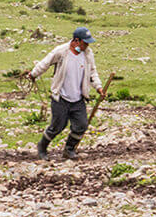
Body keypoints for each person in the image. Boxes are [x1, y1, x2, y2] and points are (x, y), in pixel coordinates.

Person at [26, 26, 104, 160]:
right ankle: (42, 147)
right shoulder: (61, 51)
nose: (87, 45)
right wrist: (33, 74)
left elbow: (92, 72)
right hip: (61, 97)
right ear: (76, 41)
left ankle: (69, 150)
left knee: (81, 125)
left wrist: (98, 87)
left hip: (78, 98)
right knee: (57, 126)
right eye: (85, 42)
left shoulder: (87, 54)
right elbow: (45, 63)